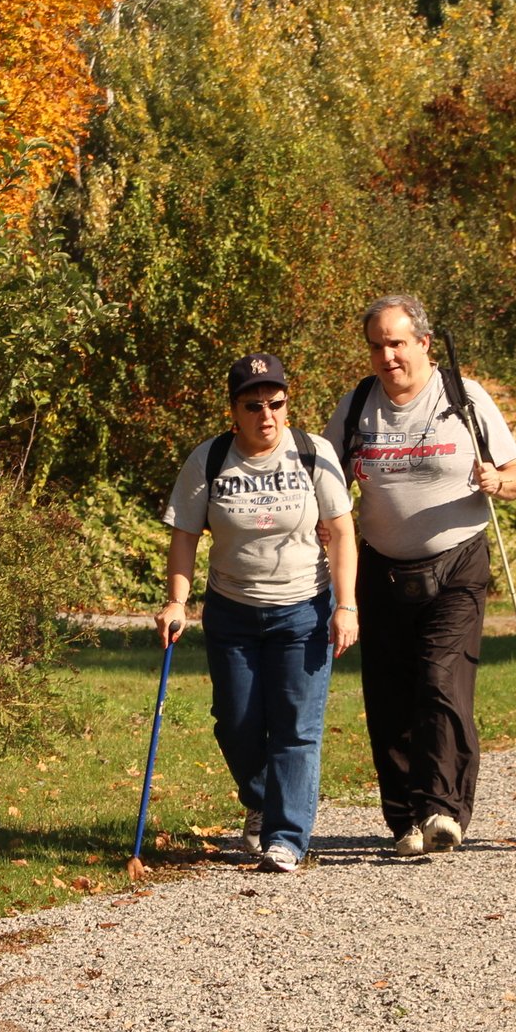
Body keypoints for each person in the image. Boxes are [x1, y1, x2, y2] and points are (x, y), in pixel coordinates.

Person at [322, 295, 516, 857]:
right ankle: (405, 819)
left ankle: (443, 809)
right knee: (389, 697)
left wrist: (497, 481)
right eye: (377, 344)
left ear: (423, 343)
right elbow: (328, 481)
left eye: (396, 342)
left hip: (458, 563)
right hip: (380, 568)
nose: (387, 355)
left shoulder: (463, 396)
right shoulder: (358, 405)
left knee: (441, 683)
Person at [157, 353, 359, 874]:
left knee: (295, 727)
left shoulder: (314, 454)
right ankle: (263, 797)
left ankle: (287, 838)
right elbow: (184, 537)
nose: (266, 415)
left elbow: (340, 533)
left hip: (304, 609)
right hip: (232, 611)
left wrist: (347, 605)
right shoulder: (210, 459)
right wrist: (176, 601)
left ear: (287, 406)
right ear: (234, 411)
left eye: (276, 403)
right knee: (237, 723)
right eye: (253, 405)